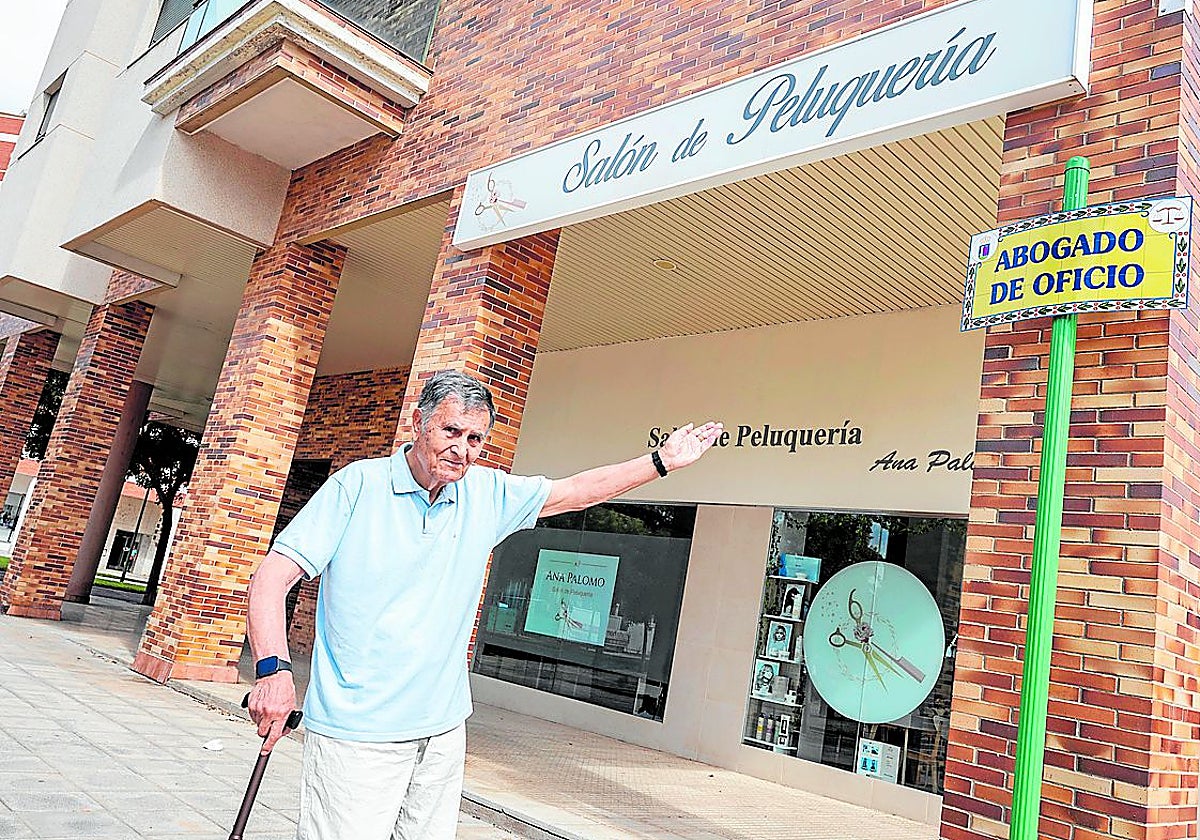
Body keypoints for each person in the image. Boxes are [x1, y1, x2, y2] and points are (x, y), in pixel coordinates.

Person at [246, 369, 722, 839]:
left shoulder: (487, 493)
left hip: (442, 731)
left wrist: (660, 462)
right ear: (418, 422)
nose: (462, 448)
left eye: (475, 438)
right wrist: (273, 672)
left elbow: (575, 492)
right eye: (451, 431)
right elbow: (271, 579)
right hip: (358, 734)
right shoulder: (357, 487)